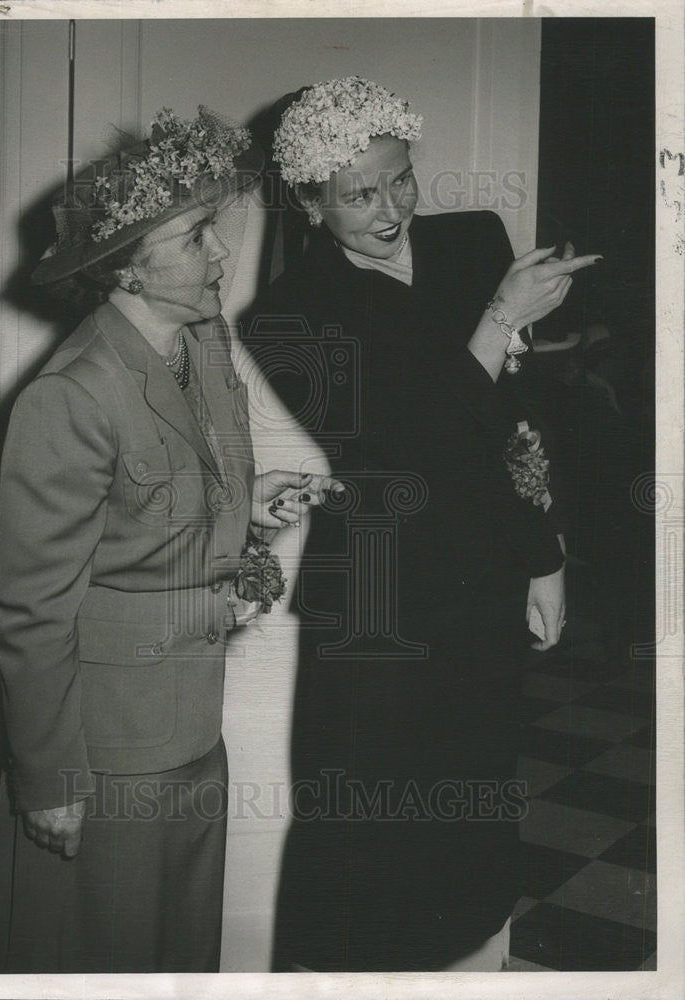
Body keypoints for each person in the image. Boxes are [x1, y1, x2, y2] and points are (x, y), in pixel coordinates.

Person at [241, 77, 601, 972]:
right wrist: (499, 319)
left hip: (477, 586)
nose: (390, 206)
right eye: (358, 195)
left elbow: (519, 420)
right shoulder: (284, 318)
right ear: (310, 203)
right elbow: (401, 450)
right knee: (367, 828)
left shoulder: (474, 240)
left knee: (470, 814)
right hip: (379, 606)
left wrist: (543, 554)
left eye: (398, 178)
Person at [0, 107, 340, 974]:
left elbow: (164, 491)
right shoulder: (68, 397)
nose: (220, 254)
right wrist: (52, 783)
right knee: (101, 958)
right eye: (192, 237)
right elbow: (31, 610)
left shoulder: (201, 339)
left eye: (211, 228)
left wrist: (248, 504)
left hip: (191, 726)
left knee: (178, 955)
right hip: (105, 752)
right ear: (125, 273)